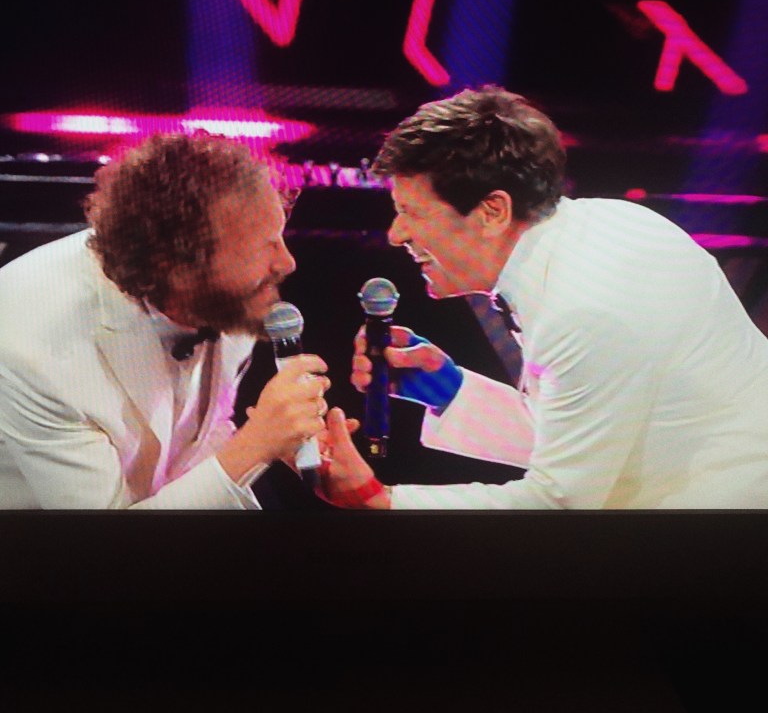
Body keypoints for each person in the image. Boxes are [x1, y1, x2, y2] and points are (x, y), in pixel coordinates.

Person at [316, 84, 768, 510]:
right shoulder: (610, 223)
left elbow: (559, 501)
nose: (397, 234)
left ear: (493, 211)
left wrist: (380, 499)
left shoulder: (583, 309)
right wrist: (450, 391)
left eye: (411, 212)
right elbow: (591, 436)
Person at [0, 132, 332, 508]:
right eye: (262, 247)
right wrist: (255, 444)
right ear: (178, 268)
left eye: (279, 237)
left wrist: (273, 440)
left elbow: (199, 441)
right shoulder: (31, 346)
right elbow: (103, 537)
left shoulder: (229, 296)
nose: (287, 263)